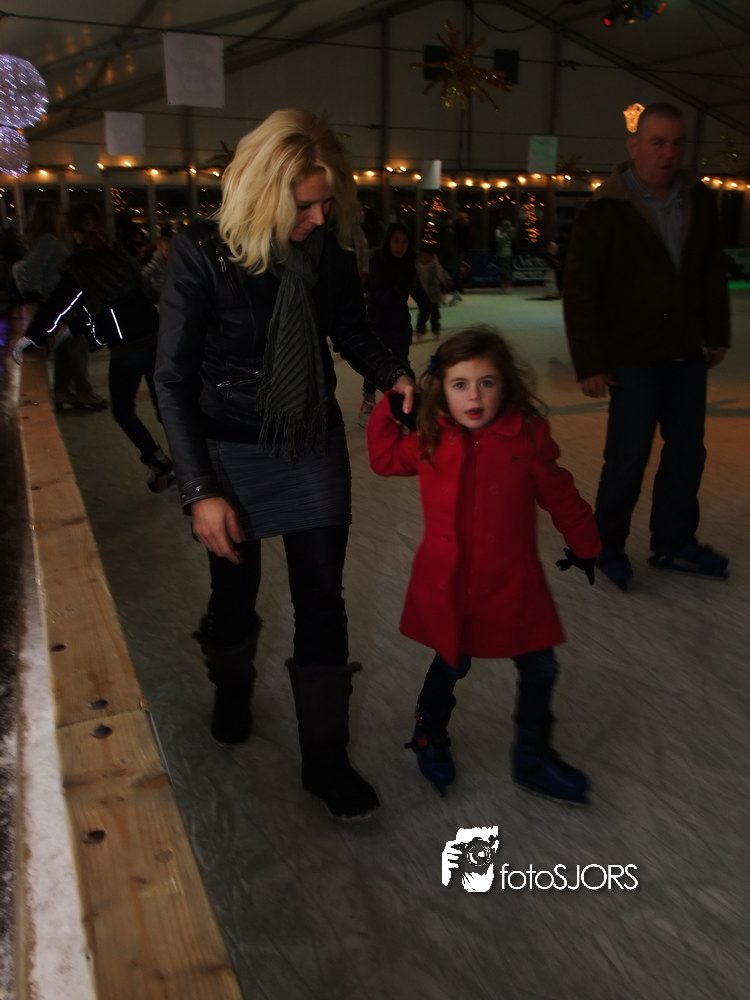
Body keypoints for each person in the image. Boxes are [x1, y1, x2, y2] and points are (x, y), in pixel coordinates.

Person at [154, 108, 416, 822]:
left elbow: (352, 331)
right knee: (235, 595)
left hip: (310, 442)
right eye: (304, 206)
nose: (319, 218)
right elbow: (171, 379)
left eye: (326, 203)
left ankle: (326, 760)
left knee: (322, 598)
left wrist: (391, 372)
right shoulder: (202, 253)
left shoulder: (326, 252)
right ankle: (232, 684)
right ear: (264, 196)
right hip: (230, 449)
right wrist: (199, 488)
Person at [367, 327, 601, 804]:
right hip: (453, 585)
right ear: (442, 389)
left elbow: (558, 492)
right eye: (460, 384)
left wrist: (586, 543)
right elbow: (384, 459)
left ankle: (532, 758)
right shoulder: (432, 438)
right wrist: (392, 409)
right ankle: (429, 730)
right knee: (452, 663)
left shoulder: (526, 436)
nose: (474, 396)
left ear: (505, 384)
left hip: (514, 582)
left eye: (486, 383)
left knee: (541, 668)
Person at [562, 102, 731, 590]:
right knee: (628, 454)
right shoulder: (605, 208)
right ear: (634, 145)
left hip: (684, 354)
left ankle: (673, 541)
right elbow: (580, 290)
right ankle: (607, 543)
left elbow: (710, 270)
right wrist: (590, 361)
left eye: (677, 143)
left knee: (687, 453)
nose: (668, 153)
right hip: (630, 357)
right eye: (657, 142)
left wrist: (716, 331)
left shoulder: (698, 199)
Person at [12, 203, 175, 493]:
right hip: (155, 336)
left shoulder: (80, 265)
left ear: (74, 233)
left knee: (123, 411)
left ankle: (158, 460)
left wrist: (33, 336)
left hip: (127, 347)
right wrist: (77, 329)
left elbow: (58, 305)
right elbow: (120, 299)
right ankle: (192, 468)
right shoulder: (119, 253)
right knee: (167, 408)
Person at [15, 200, 107, 412]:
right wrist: (34, 301)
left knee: (66, 348)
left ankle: (62, 390)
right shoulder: (48, 241)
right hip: (61, 303)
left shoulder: (38, 241)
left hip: (56, 303)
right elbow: (34, 272)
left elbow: (28, 270)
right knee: (76, 346)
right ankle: (84, 391)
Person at [358, 222, 429, 427]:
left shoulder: (408, 265)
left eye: (404, 242)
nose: (400, 246)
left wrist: (426, 310)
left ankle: (400, 404)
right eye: (396, 240)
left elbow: (418, 290)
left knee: (401, 365)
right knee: (374, 364)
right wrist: (395, 292)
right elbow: (375, 292)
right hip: (377, 321)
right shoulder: (378, 261)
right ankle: (368, 401)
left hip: (399, 324)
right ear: (388, 241)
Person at [415, 244, 450, 339]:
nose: (425, 260)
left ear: (432, 257)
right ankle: (420, 330)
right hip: (422, 295)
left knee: (435, 315)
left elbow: (441, 273)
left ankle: (435, 329)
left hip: (433, 294)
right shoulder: (418, 267)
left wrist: (446, 280)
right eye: (423, 257)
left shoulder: (435, 266)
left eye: (427, 257)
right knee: (423, 314)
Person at [494, 219, 514, 293]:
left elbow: (498, 238)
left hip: (504, 254)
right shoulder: (509, 233)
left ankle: (507, 285)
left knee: (505, 270)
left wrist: (497, 231)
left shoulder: (506, 234)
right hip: (506, 254)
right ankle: (505, 284)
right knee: (505, 269)